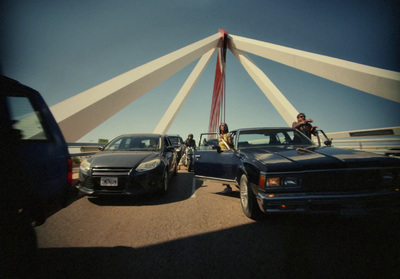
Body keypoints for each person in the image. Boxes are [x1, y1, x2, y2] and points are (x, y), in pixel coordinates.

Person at [218, 123, 234, 194]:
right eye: (222, 125)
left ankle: (229, 187)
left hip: (228, 154)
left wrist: (224, 139)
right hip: (221, 155)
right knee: (223, 171)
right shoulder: (219, 136)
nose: (223, 126)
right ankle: (228, 186)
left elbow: (231, 145)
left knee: (227, 171)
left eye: (224, 125)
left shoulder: (228, 135)